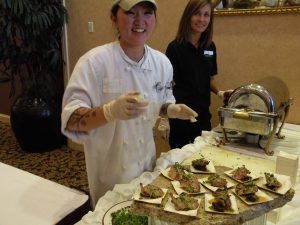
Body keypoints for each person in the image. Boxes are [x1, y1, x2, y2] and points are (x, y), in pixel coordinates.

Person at [61, 0, 198, 208]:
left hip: (146, 166)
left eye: (147, 13)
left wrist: (170, 109)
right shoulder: (94, 62)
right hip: (109, 174)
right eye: (131, 13)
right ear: (114, 18)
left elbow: (161, 100)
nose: (140, 21)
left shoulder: (162, 63)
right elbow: (71, 121)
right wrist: (108, 112)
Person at [165, 0, 232, 149]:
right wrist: (164, 115)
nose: (201, 19)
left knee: (203, 157)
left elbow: (208, 79)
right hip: (180, 115)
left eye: (206, 15)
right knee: (179, 162)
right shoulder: (174, 48)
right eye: (197, 14)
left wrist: (220, 93)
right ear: (188, 16)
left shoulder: (210, 47)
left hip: (202, 114)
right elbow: (166, 85)